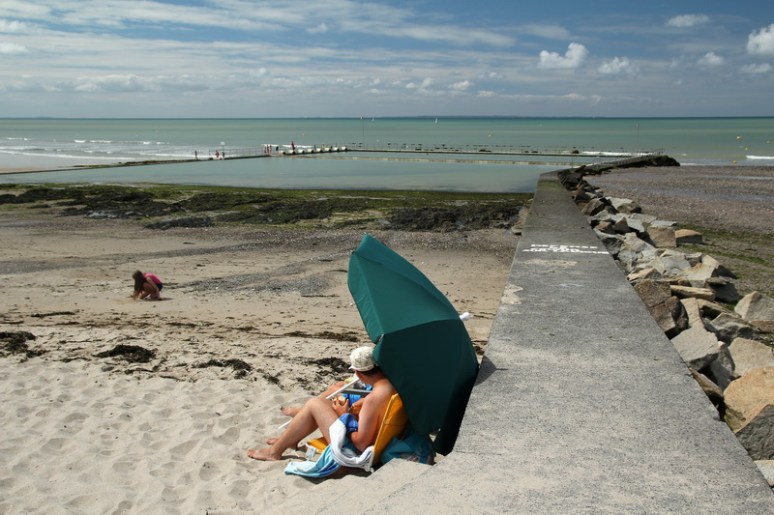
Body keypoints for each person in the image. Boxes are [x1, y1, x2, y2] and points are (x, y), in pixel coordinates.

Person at [247, 346, 394, 461]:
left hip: (352, 452)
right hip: (376, 440)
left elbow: (361, 444)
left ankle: (274, 452)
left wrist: (344, 416)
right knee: (321, 404)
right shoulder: (391, 385)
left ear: (359, 374)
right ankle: (290, 440)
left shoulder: (372, 400)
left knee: (314, 404)